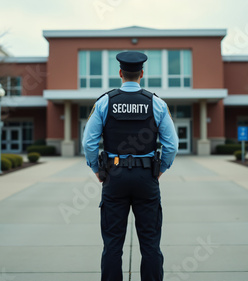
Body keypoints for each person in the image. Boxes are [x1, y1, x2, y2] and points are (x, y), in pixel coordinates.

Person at [82, 51, 178, 281]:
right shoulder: (157, 103)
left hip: (114, 177)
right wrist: (160, 169)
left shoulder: (105, 101)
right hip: (146, 177)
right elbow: (171, 146)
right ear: (142, 74)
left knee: (113, 244)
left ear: (120, 73)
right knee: (150, 243)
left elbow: (89, 142)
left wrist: (97, 169)